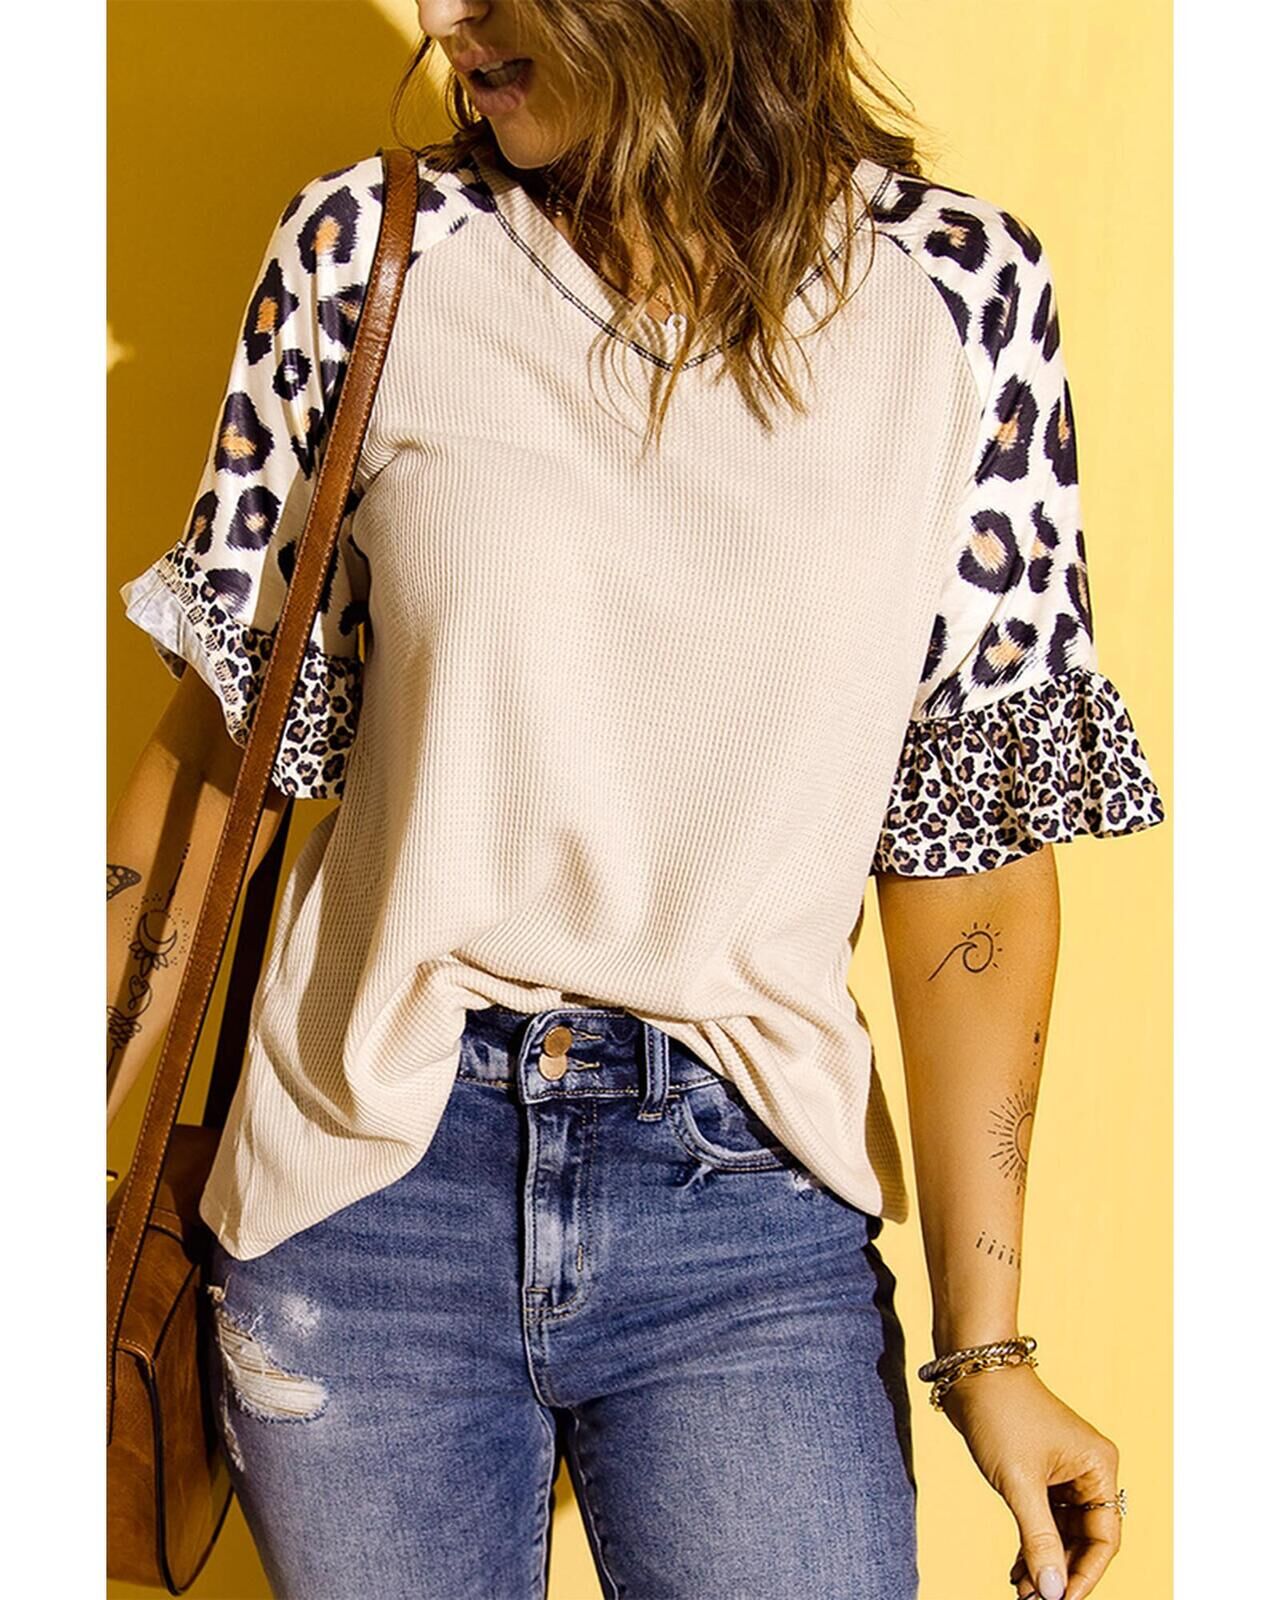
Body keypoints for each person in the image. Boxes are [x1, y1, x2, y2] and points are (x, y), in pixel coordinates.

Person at [106, 2, 1164, 1596]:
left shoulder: (960, 295)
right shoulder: (375, 257)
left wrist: (989, 1347)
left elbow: (971, 859)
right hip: (368, 1183)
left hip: (750, 1199)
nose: (442, 15)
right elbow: (222, 761)